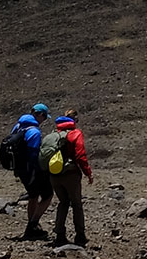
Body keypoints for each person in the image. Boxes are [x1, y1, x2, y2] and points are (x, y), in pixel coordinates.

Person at [48, 111, 92, 248]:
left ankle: (60, 235)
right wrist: (88, 173)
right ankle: (80, 236)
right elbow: (80, 155)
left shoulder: (52, 136)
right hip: (70, 174)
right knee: (77, 204)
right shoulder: (75, 133)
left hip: (54, 175)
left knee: (63, 202)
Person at [11, 104, 54, 241]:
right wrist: (41, 170)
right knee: (47, 195)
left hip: (19, 169)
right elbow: (34, 154)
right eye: (44, 117)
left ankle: (33, 226)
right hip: (31, 170)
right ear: (40, 115)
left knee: (33, 195)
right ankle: (32, 225)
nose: (44, 121)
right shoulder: (34, 132)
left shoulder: (18, 126)